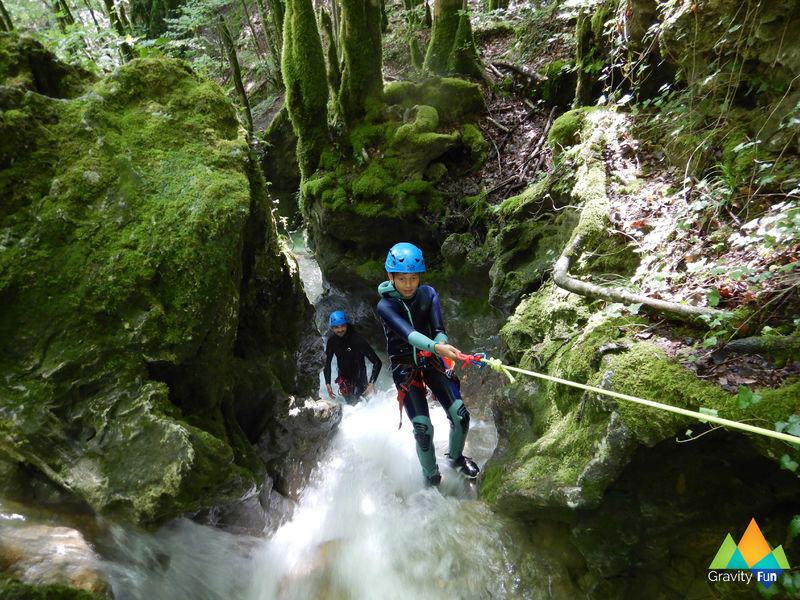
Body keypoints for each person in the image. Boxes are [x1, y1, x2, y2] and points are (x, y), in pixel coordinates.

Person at [376, 242, 479, 487]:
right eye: (402, 279)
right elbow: (409, 334)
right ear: (391, 277)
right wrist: (438, 347)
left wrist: (443, 345)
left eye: (414, 278)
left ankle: (456, 459)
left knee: (461, 416)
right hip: (405, 368)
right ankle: (431, 475)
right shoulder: (386, 306)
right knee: (423, 429)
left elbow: (438, 330)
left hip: (431, 360)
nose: (409, 284)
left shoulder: (428, 294)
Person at [323, 310, 382, 404]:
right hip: (344, 379)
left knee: (362, 405)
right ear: (332, 328)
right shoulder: (332, 341)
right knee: (351, 406)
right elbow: (327, 362)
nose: (340, 330)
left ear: (346, 325)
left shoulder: (357, 340)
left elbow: (377, 362)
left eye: (342, 326)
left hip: (360, 379)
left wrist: (371, 383)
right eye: (336, 327)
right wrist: (328, 383)